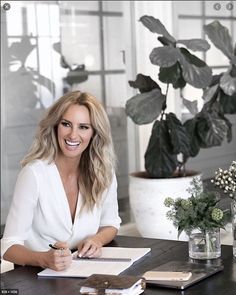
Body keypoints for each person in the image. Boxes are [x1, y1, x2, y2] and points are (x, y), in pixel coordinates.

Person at [1, 91, 121, 271]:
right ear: (56, 126)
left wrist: (96, 240)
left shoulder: (103, 172)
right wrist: (44, 259)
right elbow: (8, 246)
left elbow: (111, 223)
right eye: (66, 124)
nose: (73, 135)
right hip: (35, 278)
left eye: (83, 127)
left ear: (95, 133)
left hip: (83, 272)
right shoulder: (34, 174)